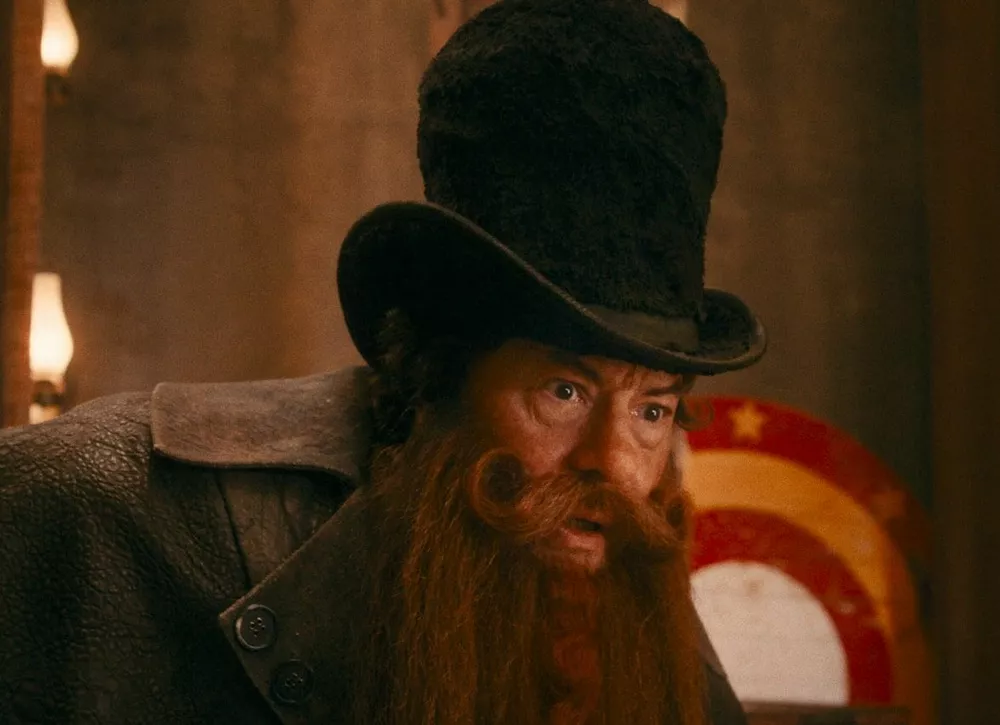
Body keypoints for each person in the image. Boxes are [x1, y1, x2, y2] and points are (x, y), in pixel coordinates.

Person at [0, 0, 766, 723]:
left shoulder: (637, 601)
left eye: (652, 409)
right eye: (564, 391)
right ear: (440, 374)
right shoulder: (94, 507)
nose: (616, 466)